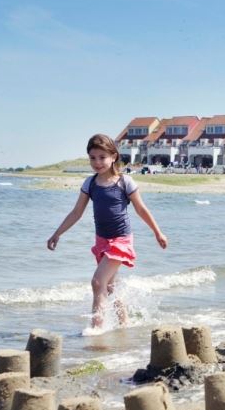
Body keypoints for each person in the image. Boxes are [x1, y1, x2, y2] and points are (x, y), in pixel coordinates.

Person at [47, 134, 168, 328]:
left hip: (121, 240)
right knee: (111, 287)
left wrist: (157, 232)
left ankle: (97, 329)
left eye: (102, 157)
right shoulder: (90, 183)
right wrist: (57, 233)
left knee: (97, 282)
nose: (97, 162)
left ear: (113, 156)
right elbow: (76, 212)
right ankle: (124, 324)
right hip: (102, 240)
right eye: (93, 158)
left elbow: (141, 209)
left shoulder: (124, 182)